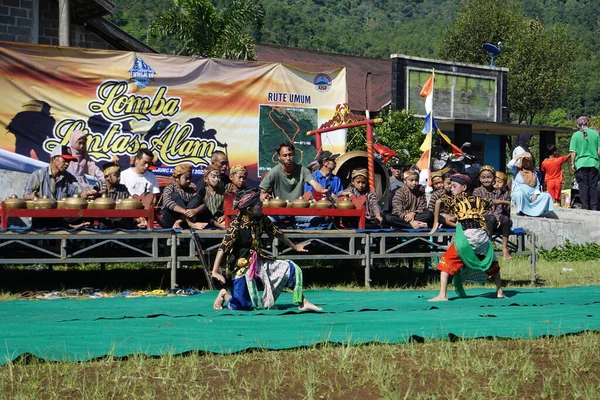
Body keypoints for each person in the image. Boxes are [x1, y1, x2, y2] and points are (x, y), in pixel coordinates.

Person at [211, 189, 321, 311]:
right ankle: (224, 294)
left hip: (258, 263)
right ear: (249, 209)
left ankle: (303, 302)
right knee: (241, 306)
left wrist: (295, 246)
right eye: (258, 204)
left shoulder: (262, 219)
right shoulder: (235, 226)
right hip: (240, 269)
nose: (262, 204)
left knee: (289, 268)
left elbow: (277, 233)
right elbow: (223, 247)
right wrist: (215, 271)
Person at [428, 174, 509, 302]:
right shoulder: (477, 199)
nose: (451, 189)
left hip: (468, 236)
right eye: (450, 186)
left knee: (445, 262)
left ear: (464, 187)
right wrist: (508, 202)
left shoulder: (456, 199)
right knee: (492, 263)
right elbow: (493, 201)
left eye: (454, 186)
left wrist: (435, 222)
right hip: (482, 237)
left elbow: (438, 202)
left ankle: (442, 295)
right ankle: (500, 292)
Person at [23, 145, 95, 228]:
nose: (67, 164)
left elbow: (79, 191)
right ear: (54, 159)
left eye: (69, 161)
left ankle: (69, 226)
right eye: (65, 160)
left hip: (60, 216)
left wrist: (87, 193)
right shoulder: (38, 175)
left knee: (85, 215)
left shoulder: (69, 177)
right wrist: (32, 197)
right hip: (42, 217)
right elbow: (25, 196)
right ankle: (69, 226)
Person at [260, 142, 324, 201]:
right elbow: (263, 191)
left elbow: (314, 184)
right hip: (280, 209)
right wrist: (263, 195)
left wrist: (322, 191)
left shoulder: (302, 170)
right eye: (284, 155)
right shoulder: (274, 172)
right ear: (279, 157)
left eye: (290, 155)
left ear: (294, 155)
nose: (288, 158)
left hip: (298, 208)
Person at [473, 166, 513, 260]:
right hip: (482, 221)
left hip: (496, 220)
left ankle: (504, 247)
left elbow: (498, 208)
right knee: (490, 217)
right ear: (479, 178)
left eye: (489, 177)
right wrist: (496, 214)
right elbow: (483, 206)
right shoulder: (477, 191)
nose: (486, 180)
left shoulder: (498, 191)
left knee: (506, 219)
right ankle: (487, 248)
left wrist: (498, 217)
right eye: (483, 177)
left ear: (493, 178)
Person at [97, 162, 143, 229]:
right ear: (107, 177)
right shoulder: (99, 186)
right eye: (116, 175)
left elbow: (129, 204)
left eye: (119, 175)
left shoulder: (123, 188)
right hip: (103, 220)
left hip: (119, 220)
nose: (119, 178)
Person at [161, 163, 208, 230]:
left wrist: (195, 210)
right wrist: (185, 212)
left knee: (198, 198)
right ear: (177, 178)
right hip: (170, 219)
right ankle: (190, 223)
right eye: (186, 178)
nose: (189, 181)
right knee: (175, 195)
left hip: (182, 221)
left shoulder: (191, 191)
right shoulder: (169, 188)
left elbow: (203, 204)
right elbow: (167, 202)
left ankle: (179, 222)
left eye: (190, 178)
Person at [508, 152, 554, 217]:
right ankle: (521, 211)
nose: (526, 163)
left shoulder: (533, 173)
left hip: (532, 196)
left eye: (528, 161)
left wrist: (535, 194)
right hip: (521, 194)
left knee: (546, 196)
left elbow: (537, 185)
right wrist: (518, 156)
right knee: (519, 194)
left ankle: (537, 212)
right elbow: (509, 165)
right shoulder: (517, 170)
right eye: (524, 161)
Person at [569, 116, 600, 210]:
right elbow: (599, 151)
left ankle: (585, 207)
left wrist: (572, 163)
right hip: (594, 163)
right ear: (588, 123)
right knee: (593, 186)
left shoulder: (576, 135)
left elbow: (573, 152)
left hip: (581, 164)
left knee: (583, 186)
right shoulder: (596, 134)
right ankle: (594, 207)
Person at [196, 164, 226, 228]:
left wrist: (224, 216)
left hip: (219, 219)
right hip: (206, 221)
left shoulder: (223, 192)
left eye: (218, 177)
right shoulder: (202, 192)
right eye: (214, 177)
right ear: (206, 179)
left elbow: (227, 208)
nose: (217, 179)